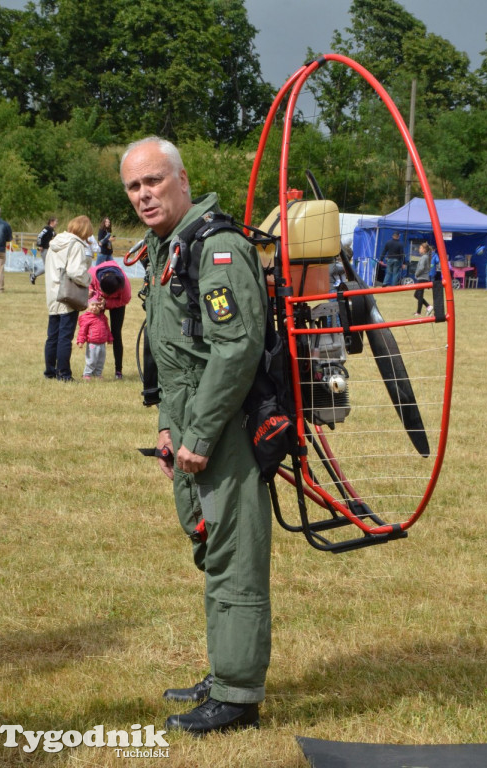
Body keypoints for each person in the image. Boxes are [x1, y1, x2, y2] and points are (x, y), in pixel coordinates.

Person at [120, 136, 271, 735]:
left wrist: (201, 434)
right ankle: (225, 670)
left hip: (226, 423)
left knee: (234, 554)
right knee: (211, 547)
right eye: (133, 187)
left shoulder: (218, 249)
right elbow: (173, 353)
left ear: (183, 179)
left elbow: (234, 350)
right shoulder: (167, 249)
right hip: (190, 419)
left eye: (153, 181)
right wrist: (166, 427)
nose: (143, 195)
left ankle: (238, 697)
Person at [44, 215, 93, 381]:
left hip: (52, 292)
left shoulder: (55, 242)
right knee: (65, 336)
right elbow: (75, 272)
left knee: (53, 335)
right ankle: (64, 374)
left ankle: (50, 371)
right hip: (67, 295)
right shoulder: (76, 245)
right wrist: (88, 280)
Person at [88, 261, 131, 379]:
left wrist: (107, 303)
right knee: (96, 332)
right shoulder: (93, 273)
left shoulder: (124, 285)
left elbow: (125, 300)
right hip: (98, 300)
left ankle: (118, 371)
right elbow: (89, 285)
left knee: (116, 333)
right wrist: (94, 296)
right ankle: (92, 370)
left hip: (117, 304)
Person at [76, 296, 113, 379]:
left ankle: (98, 374)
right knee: (91, 359)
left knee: (101, 360)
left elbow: (107, 328)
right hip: (92, 343)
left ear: (100, 307)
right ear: (88, 306)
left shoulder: (103, 318)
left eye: (97, 305)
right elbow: (82, 331)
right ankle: (87, 374)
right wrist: (80, 341)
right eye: (92, 305)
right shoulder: (86, 318)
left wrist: (110, 338)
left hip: (102, 343)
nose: (94, 307)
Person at [31, 216, 57, 284]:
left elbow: (55, 236)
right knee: (47, 266)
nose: (57, 223)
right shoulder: (47, 228)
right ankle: (34, 275)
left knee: (49, 266)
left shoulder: (52, 230)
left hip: (49, 249)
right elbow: (40, 236)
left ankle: (34, 275)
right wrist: (40, 245)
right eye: (56, 221)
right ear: (51, 222)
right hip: (44, 249)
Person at [413, 242, 434, 317]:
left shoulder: (424, 257)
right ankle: (428, 307)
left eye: (420, 248)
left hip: (422, 278)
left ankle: (419, 312)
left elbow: (421, 268)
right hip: (423, 278)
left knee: (419, 295)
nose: (419, 249)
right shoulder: (426, 257)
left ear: (424, 250)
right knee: (417, 294)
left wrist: (416, 274)